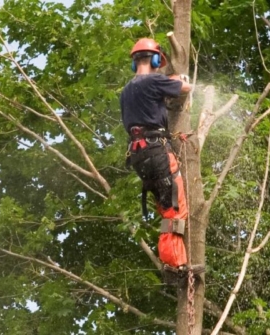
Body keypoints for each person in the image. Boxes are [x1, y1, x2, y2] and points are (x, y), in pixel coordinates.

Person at [120, 38, 203, 284]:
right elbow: (185, 89)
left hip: (138, 155)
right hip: (156, 150)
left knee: (166, 205)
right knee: (175, 207)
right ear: (155, 59)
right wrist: (180, 80)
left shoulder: (127, 91)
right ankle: (176, 267)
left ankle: (172, 262)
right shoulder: (154, 80)